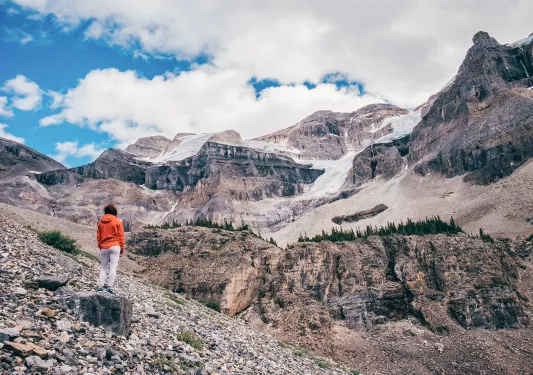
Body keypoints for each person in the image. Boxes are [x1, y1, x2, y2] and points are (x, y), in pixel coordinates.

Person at [96, 204, 125, 294]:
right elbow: (121, 236)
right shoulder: (117, 221)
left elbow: (98, 236)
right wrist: (122, 249)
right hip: (115, 246)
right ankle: (109, 287)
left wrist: (100, 246)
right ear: (114, 211)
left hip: (104, 247)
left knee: (103, 267)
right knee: (113, 267)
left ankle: (100, 286)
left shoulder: (101, 223)